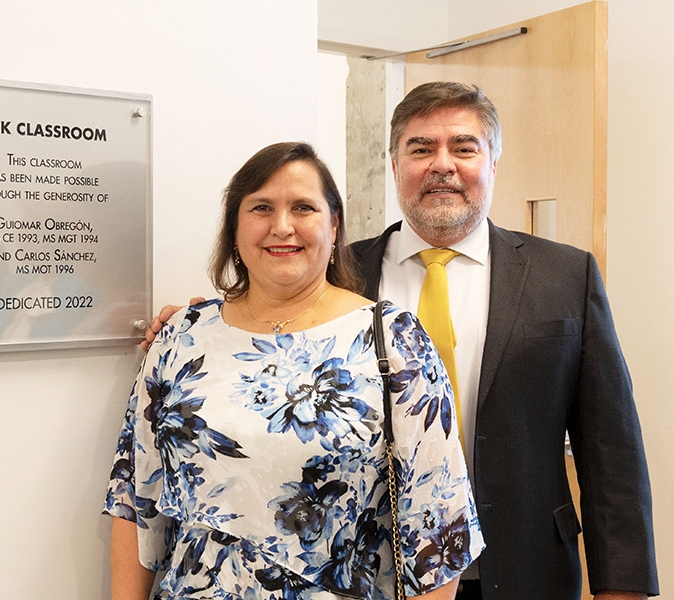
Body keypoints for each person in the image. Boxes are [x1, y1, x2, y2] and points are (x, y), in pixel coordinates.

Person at [142, 83, 659, 600]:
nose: (442, 165)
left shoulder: (565, 275)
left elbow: (610, 449)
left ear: (493, 162)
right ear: (394, 166)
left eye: (463, 147)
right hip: (376, 575)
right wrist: (195, 326)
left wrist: (624, 588)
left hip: (526, 569)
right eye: (420, 149)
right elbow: (265, 336)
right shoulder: (339, 278)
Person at [104, 141, 484, 599]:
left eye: (303, 207)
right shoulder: (182, 337)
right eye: (261, 207)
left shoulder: (393, 341)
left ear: (334, 223)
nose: (281, 226)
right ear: (235, 227)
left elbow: (438, 530)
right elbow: (134, 498)